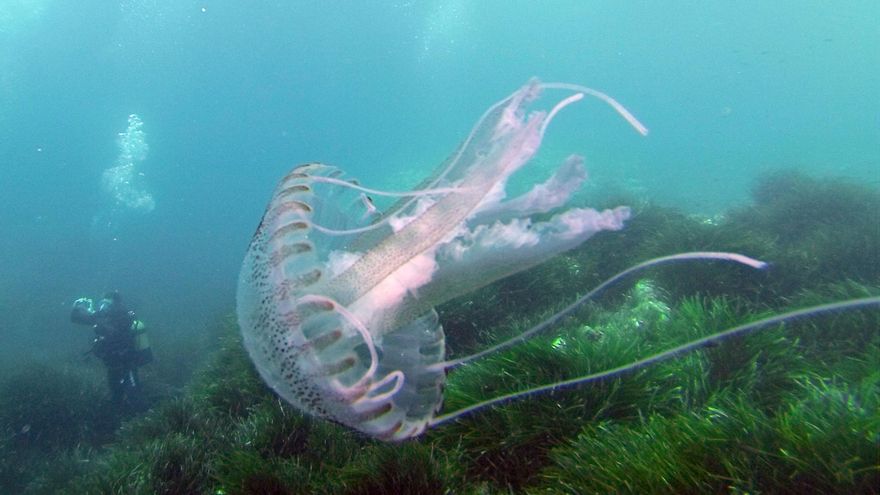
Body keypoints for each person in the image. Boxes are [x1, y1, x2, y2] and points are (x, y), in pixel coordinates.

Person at [70, 291, 153, 412]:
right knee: (116, 395)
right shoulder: (104, 317)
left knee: (134, 394)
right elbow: (76, 318)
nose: (103, 306)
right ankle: (123, 417)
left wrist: (94, 316)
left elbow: (113, 332)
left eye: (107, 303)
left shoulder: (122, 316)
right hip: (112, 364)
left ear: (115, 303)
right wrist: (77, 307)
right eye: (102, 303)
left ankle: (147, 416)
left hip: (126, 363)